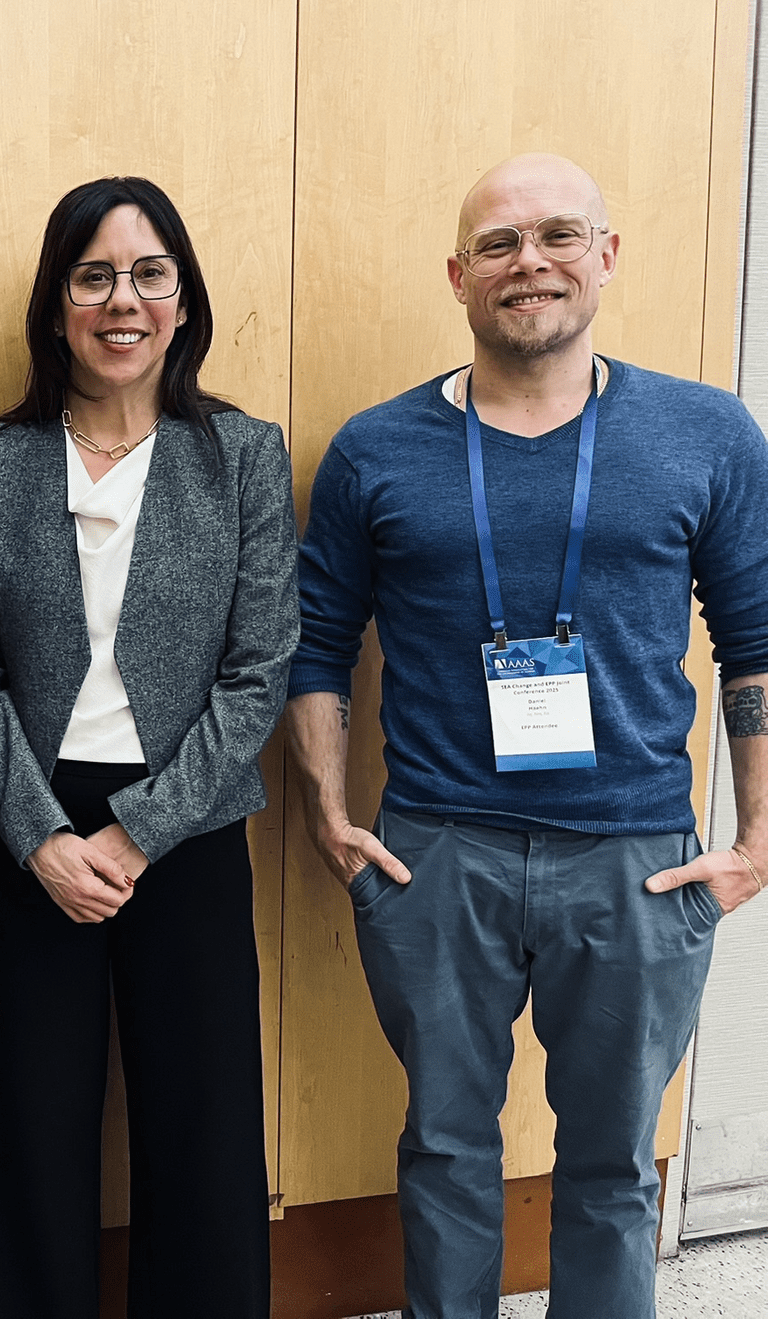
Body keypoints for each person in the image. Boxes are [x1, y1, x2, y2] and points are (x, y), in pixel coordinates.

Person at [288, 153, 768, 1319]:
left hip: (635, 858)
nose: (530, 262)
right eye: (499, 243)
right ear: (460, 276)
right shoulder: (376, 449)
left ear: (606, 256)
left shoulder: (706, 433)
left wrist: (758, 839)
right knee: (446, 1149)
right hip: (439, 852)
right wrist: (329, 816)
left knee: (611, 1166)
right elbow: (317, 644)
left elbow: (755, 639)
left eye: (558, 235)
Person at [0, 176, 297, 1319]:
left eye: (148, 274)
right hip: (33, 828)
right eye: (92, 277)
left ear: (183, 301)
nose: (121, 300)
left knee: (202, 1126)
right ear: (57, 307)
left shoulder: (241, 455)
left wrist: (141, 832)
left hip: (188, 826)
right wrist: (42, 835)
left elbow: (259, 671)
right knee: (29, 1121)